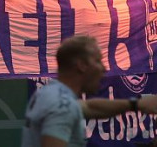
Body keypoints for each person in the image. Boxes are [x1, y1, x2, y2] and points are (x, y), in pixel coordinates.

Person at [22, 35, 157, 146]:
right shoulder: (62, 104)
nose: (103, 69)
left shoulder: (51, 93)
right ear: (82, 66)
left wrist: (137, 104)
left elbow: (89, 107)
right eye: (98, 61)